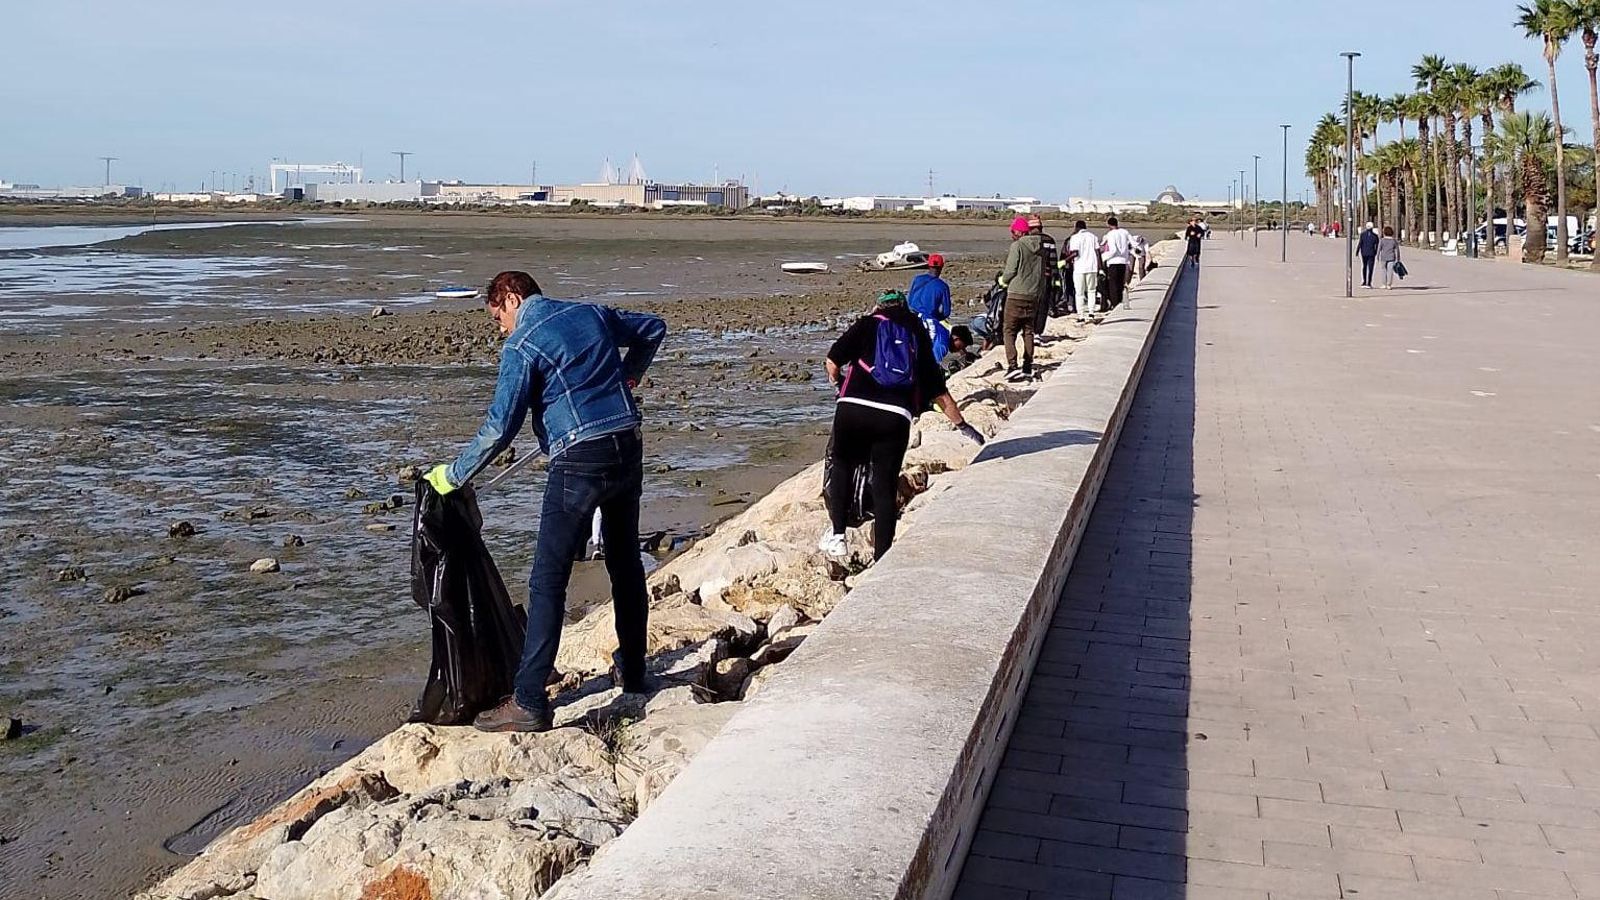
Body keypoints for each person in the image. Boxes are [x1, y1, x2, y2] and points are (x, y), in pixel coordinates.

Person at [423, 270, 666, 733]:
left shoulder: (522, 344)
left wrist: (452, 476)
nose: (501, 328)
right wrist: (627, 375)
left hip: (579, 459)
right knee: (624, 562)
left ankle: (530, 701)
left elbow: (500, 427)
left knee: (548, 580)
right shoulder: (589, 313)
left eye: (498, 317)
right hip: (625, 442)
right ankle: (635, 673)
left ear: (512, 298)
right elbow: (652, 327)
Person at [821, 290, 983, 560]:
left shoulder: (866, 324)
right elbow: (939, 393)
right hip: (894, 417)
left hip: (852, 410)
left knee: (842, 463)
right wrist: (964, 427)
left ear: (878, 307)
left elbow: (832, 363)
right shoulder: (917, 333)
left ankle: (838, 535)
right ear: (905, 308)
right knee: (884, 487)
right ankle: (882, 557)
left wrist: (839, 387)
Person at [997, 216, 1046, 381]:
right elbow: (1041, 275)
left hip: (1016, 294)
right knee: (1028, 331)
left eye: (1013, 231)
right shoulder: (1040, 248)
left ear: (1019, 232)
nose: (1012, 235)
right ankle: (1027, 364)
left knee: (1009, 330)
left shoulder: (1017, 246)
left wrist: (1002, 281)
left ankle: (1012, 365)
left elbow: (1011, 270)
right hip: (1033, 295)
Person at [906, 253, 953, 360]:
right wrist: (937, 317)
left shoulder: (917, 279)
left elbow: (910, 300)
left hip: (911, 317)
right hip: (929, 319)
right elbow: (946, 312)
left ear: (928, 265)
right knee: (938, 346)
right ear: (941, 267)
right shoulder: (943, 286)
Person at [1067, 220, 1100, 323]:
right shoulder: (1093, 236)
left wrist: (1065, 260)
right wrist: (1100, 267)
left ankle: (1081, 315)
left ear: (1076, 227)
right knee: (1091, 291)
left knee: (1079, 293)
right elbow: (1097, 252)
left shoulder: (1074, 237)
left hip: (1080, 268)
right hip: (1092, 267)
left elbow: (1075, 253)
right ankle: (1091, 313)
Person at [1100, 216, 1134, 309]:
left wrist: (1103, 257)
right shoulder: (1125, 232)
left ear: (1108, 224)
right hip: (1123, 261)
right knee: (1120, 283)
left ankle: (1115, 304)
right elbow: (1134, 244)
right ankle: (1119, 301)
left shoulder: (1110, 234)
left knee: (1113, 284)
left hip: (1113, 261)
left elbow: (1113, 250)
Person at [1358, 221, 1379, 287]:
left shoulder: (1363, 234)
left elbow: (1360, 243)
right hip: (1371, 253)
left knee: (1364, 267)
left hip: (1364, 253)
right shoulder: (1375, 236)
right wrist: (1376, 252)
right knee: (1370, 268)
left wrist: (1357, 251)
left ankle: (1364, 281)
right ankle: (1369, 282)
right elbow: (1377, 245)